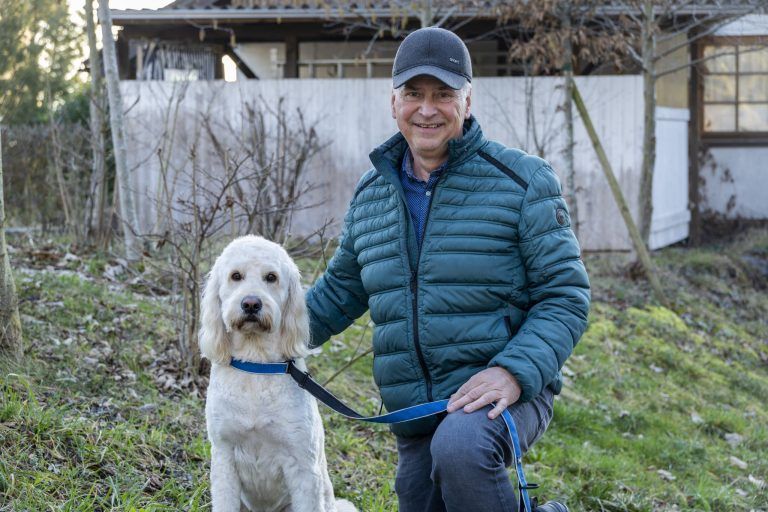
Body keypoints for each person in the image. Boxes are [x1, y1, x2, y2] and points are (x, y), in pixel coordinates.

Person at [306, 27, 590, 512]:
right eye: (414, 94)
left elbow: (566, 296)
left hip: (504, 394)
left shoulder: (522, 181)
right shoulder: (373, 192)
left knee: (460, 449)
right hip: (417, 411)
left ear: (467, 100)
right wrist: (256, 330)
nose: (427, 109)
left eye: (443, 94)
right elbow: (338, 293)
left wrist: (513, 372)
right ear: (393, 102)